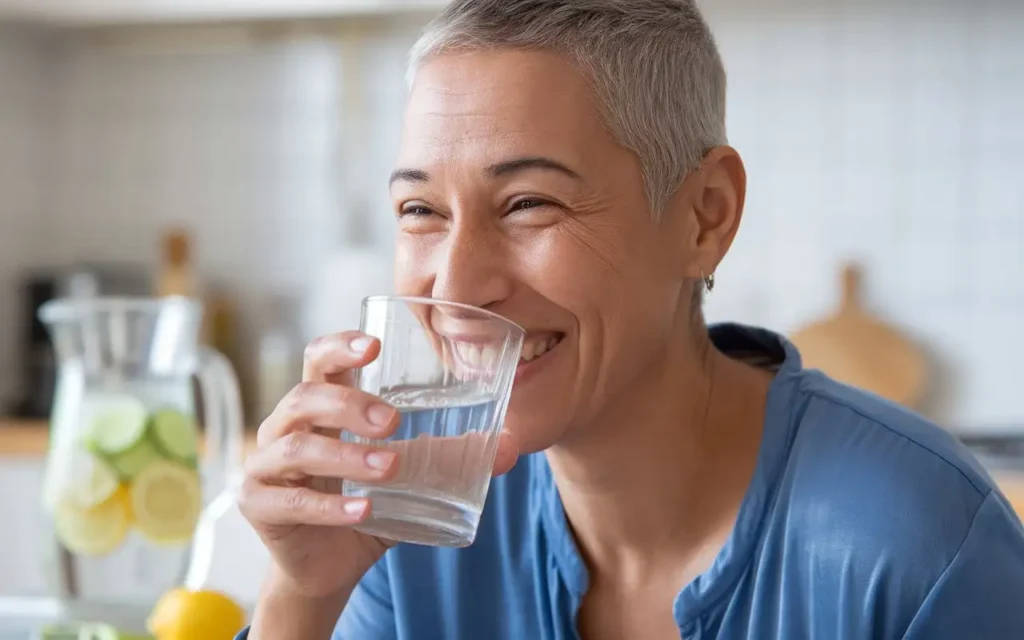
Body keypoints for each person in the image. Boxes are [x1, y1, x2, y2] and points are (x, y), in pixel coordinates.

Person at [235, 1, 1024, 638]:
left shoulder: (922, 547)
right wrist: (299, 601)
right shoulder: (405, 512)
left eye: (529, 203)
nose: (460, 283)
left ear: (703, 216)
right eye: (420, 209)